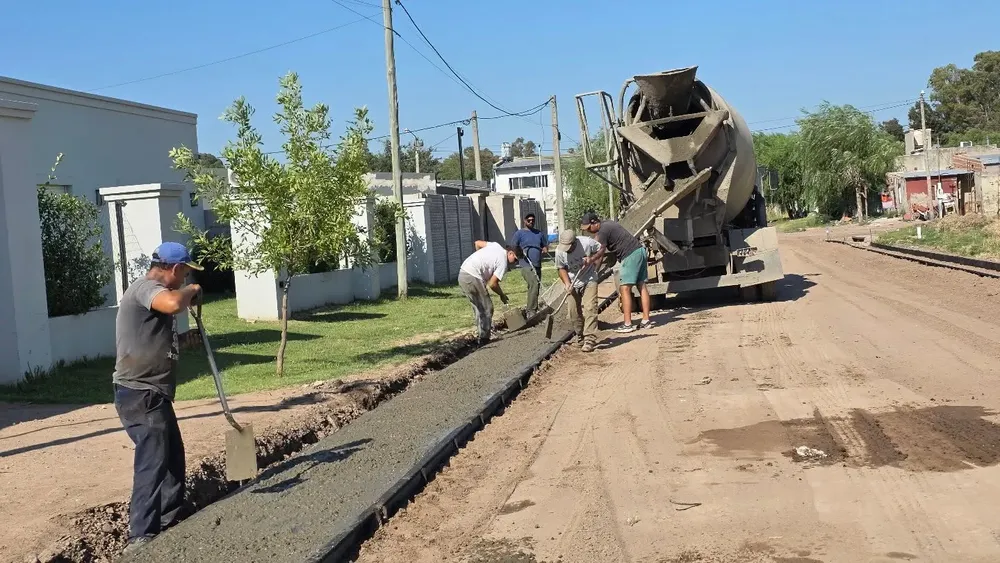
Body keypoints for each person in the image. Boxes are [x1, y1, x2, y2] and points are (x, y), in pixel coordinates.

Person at [113, 242, 203, 553]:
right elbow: (171, 303)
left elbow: (154, 337)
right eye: (186, 272)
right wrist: (192, 290)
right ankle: (140, 535)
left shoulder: (154, 293)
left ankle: (170, 519)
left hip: (154, 393)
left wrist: (182, 340)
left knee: (172, 458)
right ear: (176, 269)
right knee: (152, 461)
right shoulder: (145, 288)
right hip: (139, 393)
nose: (186, 277)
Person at [580, 212, 654, 333]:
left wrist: (594, 272)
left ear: (594, 223)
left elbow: (599, 254)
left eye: (589, 228)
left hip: (630, 255)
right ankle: (646, 321)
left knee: (624, 289)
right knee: (642, 286)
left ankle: (627, 324)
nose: (588, 231)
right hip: (639, 251)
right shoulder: (608, 224)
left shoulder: (602, 231)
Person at [458, 240, 523, 344]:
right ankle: (484, 339)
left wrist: (480, 258)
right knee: (487, 307)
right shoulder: (503, 262)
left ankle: (481, 336)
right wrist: (502, 295)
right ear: (510, 253)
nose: (515, 263)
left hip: (463, 273)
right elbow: (492, 284)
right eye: (515, 259)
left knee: (479, 308)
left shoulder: (496, 245)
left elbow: (477, 243)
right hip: (472, 276)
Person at [554, 229, 602, 352]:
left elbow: (601, 249)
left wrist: (591, 259)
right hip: (572, 282)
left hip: (589, 278)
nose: (567, 250)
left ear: (575, 242)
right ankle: (580, 336)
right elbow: (561, 268)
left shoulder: (587, 243)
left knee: (590, 307)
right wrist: (567, 283)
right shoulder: (559, 251)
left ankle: (589, 339)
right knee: (573, 312)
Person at [511, 213, 548, 315]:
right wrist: (519, 254)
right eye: (529, 220)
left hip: (537, 264)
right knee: (534, 284)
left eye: (533, 220)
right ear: (524, 221)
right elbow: (513, 246)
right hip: (526, 264)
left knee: (535, 287)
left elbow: (544, 246)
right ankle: (530, 311)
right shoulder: (519, 233)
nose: (531, 222)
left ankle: (533, 309)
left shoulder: (539, 233)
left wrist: (545, 249)